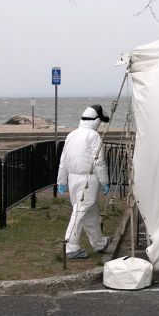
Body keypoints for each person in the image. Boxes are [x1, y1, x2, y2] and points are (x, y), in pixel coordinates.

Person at [56, 104, 112, 259]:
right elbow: (98, 161)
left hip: (73, 178)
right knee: (81, 210)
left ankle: (99, 242)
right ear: (96, 121)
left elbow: (63, 160)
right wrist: (105, 181)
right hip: (89, 178)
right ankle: (70, 246)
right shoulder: (93, 136)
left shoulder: (72, 135)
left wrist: (61, 181)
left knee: (89, 211)